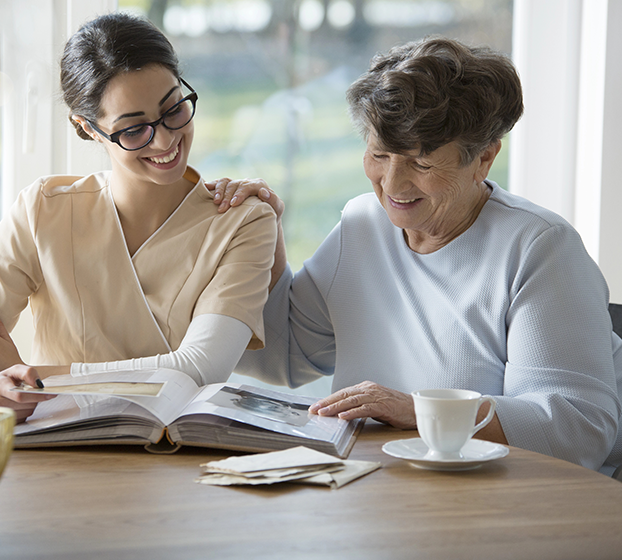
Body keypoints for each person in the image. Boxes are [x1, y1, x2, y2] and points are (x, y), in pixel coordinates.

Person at [212, 36, 622, 474]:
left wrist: (419, 411)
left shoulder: (540, 248)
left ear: (484, 157)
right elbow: (282, 354)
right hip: (380, 487)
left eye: (421, 165)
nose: (392, 184)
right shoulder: (362, 224)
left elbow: (579, 430)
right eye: (378, 155)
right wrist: (260, 234)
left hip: (505, 504)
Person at [0, 13, 277, 422]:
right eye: (133, 128)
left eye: (174, 109)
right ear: (87, 128)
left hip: (176, 467)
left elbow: (197, 370)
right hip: (57, 458)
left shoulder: (242, 222)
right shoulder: (43, 211)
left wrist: (31, 378)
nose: (164, 139)